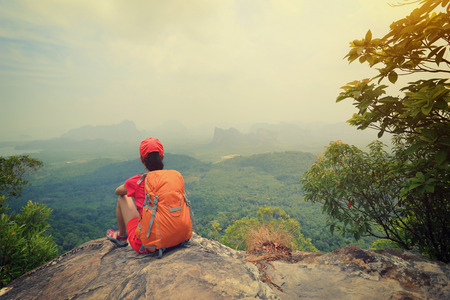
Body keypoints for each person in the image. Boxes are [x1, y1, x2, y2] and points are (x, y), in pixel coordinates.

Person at [106, 137, 165, 253]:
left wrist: (132, 186)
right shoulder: (171, 178)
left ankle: (122, 237)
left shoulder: (137, 181)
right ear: (162, 157)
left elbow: (117, 191)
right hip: (171, 236)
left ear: (142, 160)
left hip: (146, 243)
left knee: (123, 198)